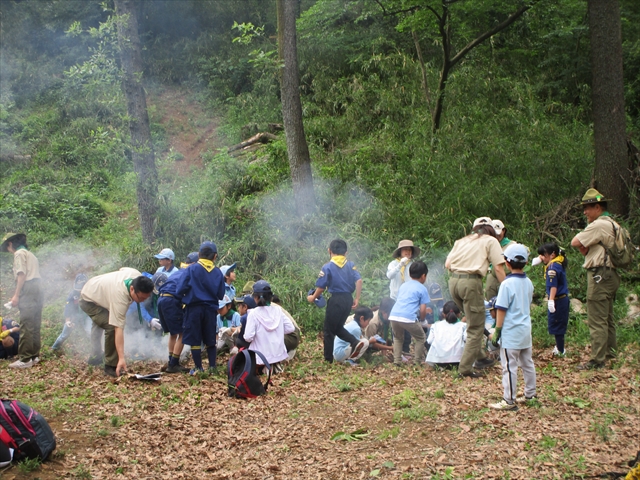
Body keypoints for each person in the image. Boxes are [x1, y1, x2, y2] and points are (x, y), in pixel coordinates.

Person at [445, 217, 506, 378]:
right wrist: (508, 287)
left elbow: (447, 264)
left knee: (473, 320)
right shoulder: (490, 241)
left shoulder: (462, 240)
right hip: (470, 283)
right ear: (491, 230)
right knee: (476, 326)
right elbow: (498, 268)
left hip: (453, 282)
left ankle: (481, 357)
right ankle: (465, 369)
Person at [570, 188, 621, 370]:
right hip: (611, 275)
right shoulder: (614, 224)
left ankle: (597, 360)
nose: (585, 212)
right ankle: (610, 353)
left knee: (597, 319)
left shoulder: (599, 225)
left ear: (598, 207)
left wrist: (584, 248)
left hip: (600, 274)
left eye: (588, 208)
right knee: (607, 317)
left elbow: (575, 242)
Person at [79, 268, 154, 377]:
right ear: (132, 289)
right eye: (141, 298)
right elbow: (117, 328)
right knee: (110, 326)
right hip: (88, 300)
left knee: (100, 323)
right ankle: (110, 366)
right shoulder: (120, 298)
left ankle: (95, 356)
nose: (142, 300)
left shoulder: (136, 275)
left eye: (145, 298)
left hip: (98, 291)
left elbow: (123, 269)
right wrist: (121, 358)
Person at [489, 243, 536, 410]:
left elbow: (501, 309)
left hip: (511, 332)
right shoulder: (528, 282)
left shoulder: (506, 284)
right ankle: (530, 394)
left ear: (507, 263)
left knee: (509, 366)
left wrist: (497, 332)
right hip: (525, 330)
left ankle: (509, 400)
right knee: (527, 363)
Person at [307, 239, 366, 363]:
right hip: (348, 299)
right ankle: (355, 342)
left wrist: (313, 297)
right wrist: (357, 298)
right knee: (338, 327)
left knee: (328, 330)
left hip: (336, 300)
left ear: (329, 251)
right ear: (346, 252)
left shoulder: (328, 266)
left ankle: (328, 360)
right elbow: (359, 281)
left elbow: (321, 287)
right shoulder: (351, 265)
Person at [176, 241, 226, 375]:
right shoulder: (218, 272)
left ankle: (198, 367)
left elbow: (180, 288)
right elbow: (221, 295)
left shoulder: (191, 269)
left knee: (195, 339)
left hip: (193, 309)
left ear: (199, 255)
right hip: (210, 309)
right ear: (215, 256)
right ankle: (212, 367)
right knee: (210, 338)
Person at [1, 232, 44, 369]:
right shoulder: (31, 254)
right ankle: (34, 356)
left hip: (28, 287)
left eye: (8, 248)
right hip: (38, 287)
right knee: (35, 323)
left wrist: (16, 295)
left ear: (10, 244)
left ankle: (25, 359)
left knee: (26, 323)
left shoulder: (19, 254)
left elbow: (21, 274)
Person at [158, 252, 198, 373]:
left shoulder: (179, 271)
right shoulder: (191, 272)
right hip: (171, 300)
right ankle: (174, 364)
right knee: (183, 332)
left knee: (173, 333)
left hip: (161, 299)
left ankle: (171, 360)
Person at [244, 280, 295, 371]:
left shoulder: (253, 314)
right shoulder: (278, 310)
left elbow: (248, 337)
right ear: (271, 297)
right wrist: (277, 332)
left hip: (260, 358)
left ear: (255, 298)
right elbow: (291, 328)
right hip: (279, 355)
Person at [388, 261, 431, 366]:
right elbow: (422, 310)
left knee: (398, 338)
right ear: (423, 276)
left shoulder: (403, 286)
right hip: (408, 318)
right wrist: (422, 320)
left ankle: (397, 361)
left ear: (410, 274)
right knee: (421, 338)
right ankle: (417, 362)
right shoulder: (422, 288)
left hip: (394, 315)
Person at [386, 240, 420, 356]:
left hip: (408, 299)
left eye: (409, 250)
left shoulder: (413, 265)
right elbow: (389, 275)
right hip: (395, 298)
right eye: (405, 249)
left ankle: (405, 350)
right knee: (396, 325)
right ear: (400, 251)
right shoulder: (393, 264)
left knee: (408, 323)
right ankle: (397, 351)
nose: (407, 252)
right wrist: (400, 265)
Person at [536, 243, 570, 356]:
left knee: (557, 324)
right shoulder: (557, 263)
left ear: (552, 255)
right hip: (562, 299)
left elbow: (553, 285)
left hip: (558, 299)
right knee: (559, 323)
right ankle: (559, 347)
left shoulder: (552, 267)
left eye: (543, 255)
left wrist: (551, 300)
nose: (542, 258)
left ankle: (560, 350)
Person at [51, 273, 94, 352]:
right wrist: (68, 321)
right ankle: (54, 348)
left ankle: (96, 352)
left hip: (86, 316)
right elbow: (68, 307)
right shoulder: (73, 294)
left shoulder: (90, 292)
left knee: (90, 332)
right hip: (74, 316)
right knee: (64, 335)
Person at [426, 301, 467, 369]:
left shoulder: (435, 325)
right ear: (459, 314)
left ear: (443, 314)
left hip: (439, 362)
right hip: (458, 362)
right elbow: (466, 339)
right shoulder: (464, 326)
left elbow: (429, 341)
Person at [484, 220, 517, 300]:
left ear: (504, 231)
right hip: (492, 276)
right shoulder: (488, 244)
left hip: (507, 276)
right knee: (491, 303)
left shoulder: (512, 245)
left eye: (498, 234)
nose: (497, 236)